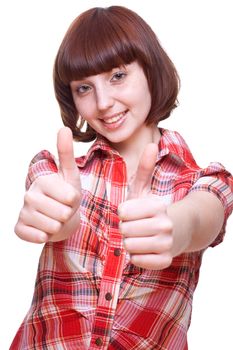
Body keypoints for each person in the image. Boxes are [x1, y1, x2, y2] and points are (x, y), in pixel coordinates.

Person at [10, 5, 233, 350]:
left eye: (117, 76)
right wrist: (60, 221)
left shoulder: (204, 181)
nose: (102, 103)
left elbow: (201, 216)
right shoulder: (57, 173)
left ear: (150, 69)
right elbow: (52, 203)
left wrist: (175, 229)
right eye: (84, 88)